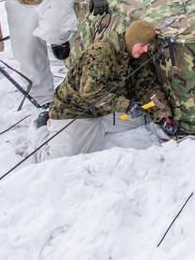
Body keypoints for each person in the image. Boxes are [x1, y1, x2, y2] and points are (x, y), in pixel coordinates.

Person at [33, 20, 173, 161]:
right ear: (132, 39)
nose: (145, 50)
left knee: (147, 117)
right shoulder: (102, 53)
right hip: (77, 111)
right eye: (142, 45)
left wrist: (163, 115)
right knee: (56, 161)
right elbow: (90, 93)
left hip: (108, 110)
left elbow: (148, 86)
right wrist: (126, 106)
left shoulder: (140, 57)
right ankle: (40, 128)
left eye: (148, 46)